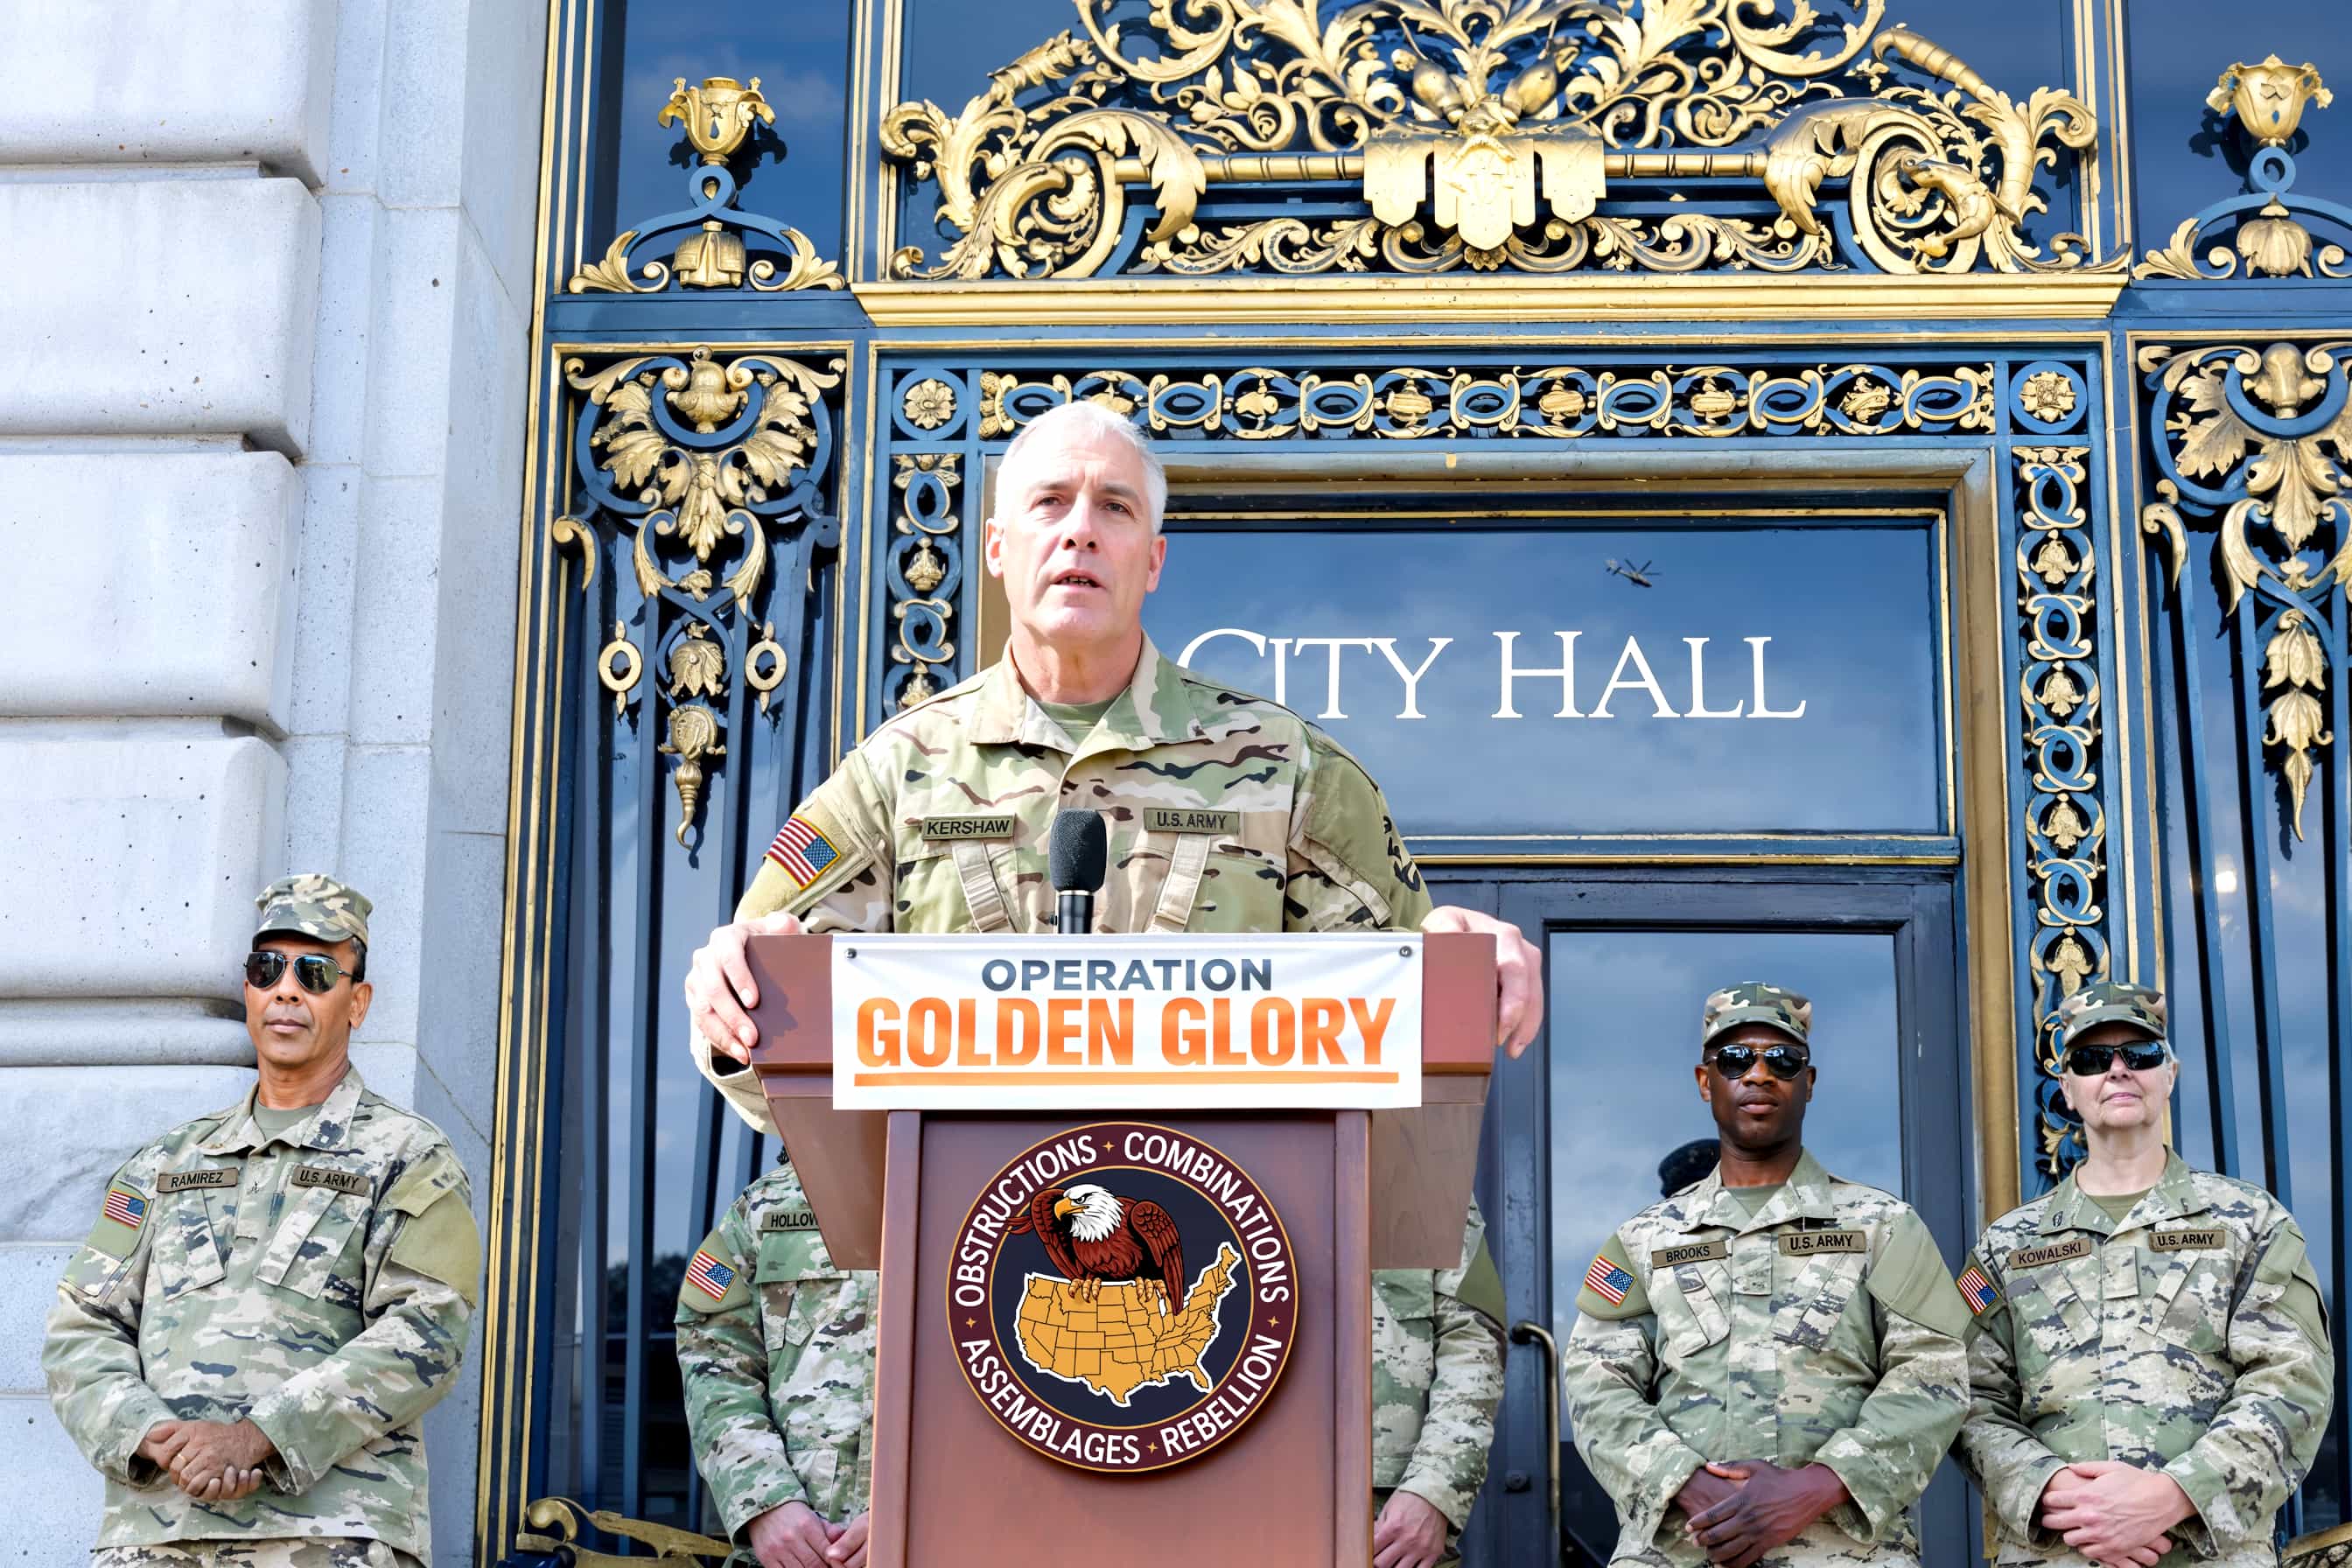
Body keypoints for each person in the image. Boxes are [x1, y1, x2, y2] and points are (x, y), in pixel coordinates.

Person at [673, 399, 1527, 1560]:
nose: (1080, 530)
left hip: (1232, 1365)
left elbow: (1410, 1030)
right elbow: (771, 1044)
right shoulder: (901, 772)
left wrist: (1464, 958)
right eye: (1049, 503)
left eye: (1114, 507)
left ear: (1153, 556)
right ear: (995, 546)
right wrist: (731, 989)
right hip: (977, 1356)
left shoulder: (1282, 767)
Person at [43, 875, 480, 1567]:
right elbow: (82, 1327)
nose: (286, 991)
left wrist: (258, 1435)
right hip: (158, 1535)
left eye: (315, 974)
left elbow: (426, 1332)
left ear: (357, 1003)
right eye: (266, 969)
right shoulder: (165, 1161)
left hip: (330, 1536)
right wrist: (149, 1430)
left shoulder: (409, 1155)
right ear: (248, 990)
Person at [1560, 982, 1970, 1567]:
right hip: (1681, 1548)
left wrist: (1818, 1485)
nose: (1757, 1075)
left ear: (1809, 1082)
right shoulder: (1643, 1240)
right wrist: (1685, 1482)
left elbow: (1934, 1372)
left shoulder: (1884, 1225)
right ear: (1706, 1082)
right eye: (1735, 1060)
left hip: (1842, 1552)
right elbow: (1595, 1385)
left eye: (1782, 1061)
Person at [1954, 981, 2334, 1568]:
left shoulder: (2249, 1223)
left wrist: (2174, 1495)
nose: (2117, 1070)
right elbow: (1970, 1398)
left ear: (2170, 1074)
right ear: (2068, 1090)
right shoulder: (2008, 1245)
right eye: (2091, 1059)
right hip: (2058, 1553)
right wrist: (2057, 1493)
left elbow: (2293, 1382)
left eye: (2140, 1054)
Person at [676, 1159, 875, 1568]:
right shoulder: (764, 1207)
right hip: (796, 1555)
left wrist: (934, 1512)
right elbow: (712, 1354)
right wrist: (765, 1501)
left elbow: (1029, 1383)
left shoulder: (996, 1199)